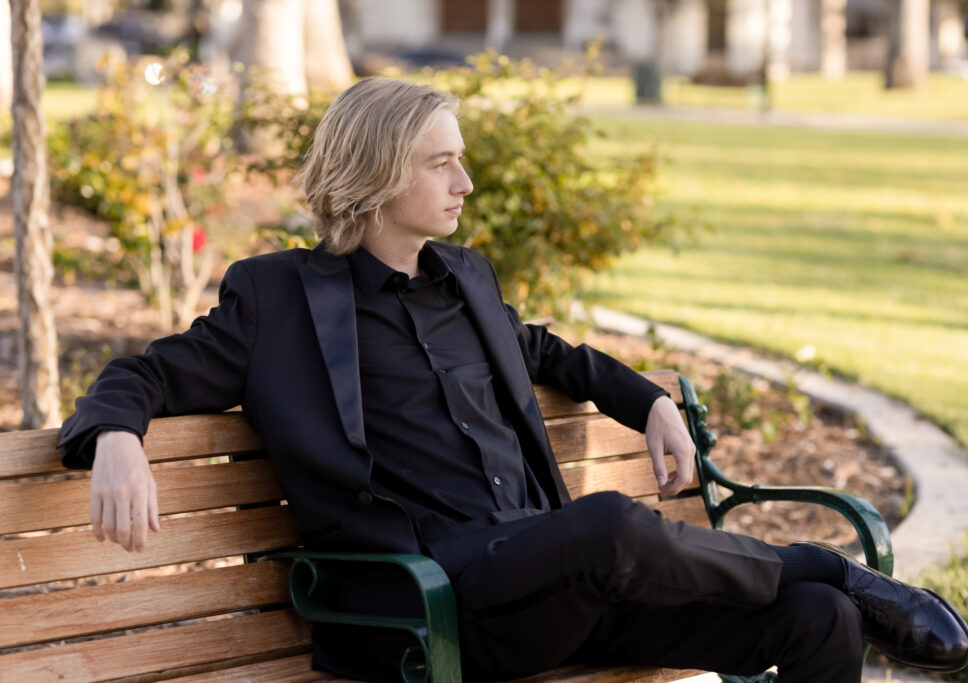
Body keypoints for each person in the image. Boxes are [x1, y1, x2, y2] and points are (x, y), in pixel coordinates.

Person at [60, 77, 968, 682]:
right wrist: (118, 439)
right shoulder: (278, 300)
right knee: (612, 523)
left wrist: (650, 399)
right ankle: (837, 566)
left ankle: (834, 587)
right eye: (441, 162)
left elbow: (551, 354)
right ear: (378, 175)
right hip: (438, 607)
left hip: (565, 583)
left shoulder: (466, 278)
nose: (465, 180)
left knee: (817, 619)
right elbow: (145, 372)